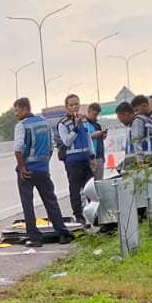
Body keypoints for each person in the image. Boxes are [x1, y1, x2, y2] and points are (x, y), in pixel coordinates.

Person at [10, 96, 73, 247]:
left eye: (17, 110)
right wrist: (44, 163)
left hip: (27, 171)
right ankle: (63, 234)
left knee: (28, 204)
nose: (15, 114)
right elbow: (51, 147)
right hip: (43, 169)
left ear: (25, 109)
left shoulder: (21, 126)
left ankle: (35, 238)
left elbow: (18, 148)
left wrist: (22, 167)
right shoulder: (44, 122)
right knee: (51, 202)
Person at [55, 94, 97, 225]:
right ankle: (78, 216)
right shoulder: (63, 123)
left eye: (76, 104)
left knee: (90, 188)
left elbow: (88, 138)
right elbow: (67, 141)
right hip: (72, 161)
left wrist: (92, 156)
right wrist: (75, 127)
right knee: (75, 189)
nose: (74, 107)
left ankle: (94, 213)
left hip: (85, 160)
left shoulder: (84, 120)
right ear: (66, 107)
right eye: (71, 105)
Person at [85, 102, 107, 180]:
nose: (96, 116)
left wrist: (103, 135)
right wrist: (94, 135)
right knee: (89, 182)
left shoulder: (97, 125)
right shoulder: (84, 123)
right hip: (90, 157)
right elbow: (83, 138)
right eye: (94, 114)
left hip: (100, 156)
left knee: (99, 181)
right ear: (89, 111)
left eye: (97, 114)